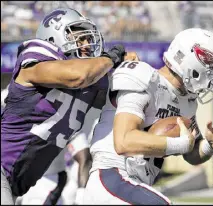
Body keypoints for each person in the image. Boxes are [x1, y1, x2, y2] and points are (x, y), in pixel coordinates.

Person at [1, 8, 139, 205]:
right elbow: (77, 76)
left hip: (15, 183)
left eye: (86, 38)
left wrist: (131, 72)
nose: (85, 44)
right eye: (78, 37)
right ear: (53, 37)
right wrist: (111, 58)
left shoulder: (92, 80)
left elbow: (117, 102)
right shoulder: (35, 61)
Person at [83, 28, 213, 205]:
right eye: (210, 71)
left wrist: (209, 145)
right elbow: (123, 142)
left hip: (136, 185)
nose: (211, 82)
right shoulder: (144, 78)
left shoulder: (188, 102)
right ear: (191, 64)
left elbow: (192, 154)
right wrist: (179, 144)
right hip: (112, 176)